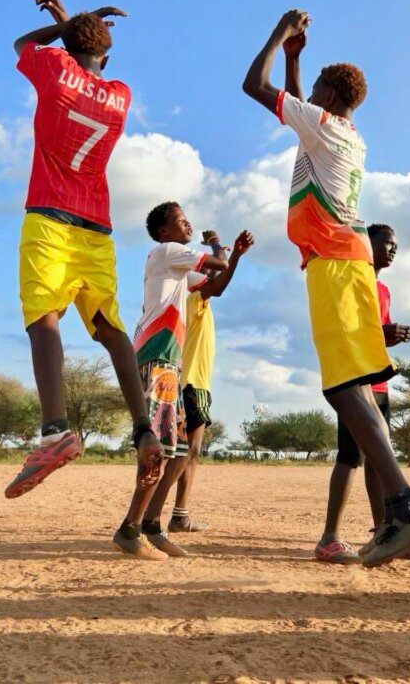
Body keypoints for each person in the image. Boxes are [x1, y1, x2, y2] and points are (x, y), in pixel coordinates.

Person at [242, 9, 410, 567]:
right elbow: (295, 102)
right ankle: (396, 512)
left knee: (344, 387)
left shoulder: (324, 128)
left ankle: (405, 506)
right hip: (344, 259)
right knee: (353, 387)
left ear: (328, 96)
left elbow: (253, 85)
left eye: (314, 88)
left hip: (332, 259)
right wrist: (299, 60)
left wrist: (279, 34)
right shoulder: (342, 133)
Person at [3, 0, 164, 500]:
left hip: (49, 219)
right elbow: (84, 57)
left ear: (67, 49)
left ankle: (55, 429)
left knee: (43, 318)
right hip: (96, 227)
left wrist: (63, 24)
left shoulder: (54, 70)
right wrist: (77, 24)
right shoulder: (121, 96)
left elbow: (20, 44)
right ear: (107, 55)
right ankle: (143, 427)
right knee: (109, 326)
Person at [113, 203, 254, 559]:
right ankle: (131, 529)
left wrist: (235, 255)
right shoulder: (167, 252)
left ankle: (152, 526)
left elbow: (216, 287)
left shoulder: (178, 271)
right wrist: (224, 249)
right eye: (179, 220)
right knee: (158, 448)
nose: (187, 222)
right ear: (164, 232)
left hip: (171, 365)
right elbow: (216, 264)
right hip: (156, 359)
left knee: (174, 451)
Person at [315, 223, 410, 564]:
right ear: (366, 244)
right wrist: (380, 331)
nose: (393, 249)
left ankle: (386, 532)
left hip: (377, 382)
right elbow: (347, 327)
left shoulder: (383, 289)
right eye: (387, 243)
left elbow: (373, 336)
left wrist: (390, 335)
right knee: (350, 457)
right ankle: (329, 537)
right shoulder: (348, 279)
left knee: (380, 457)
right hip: (352, 381)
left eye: (396, 245)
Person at [168, 229, 227, 535]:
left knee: (186, 451)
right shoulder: (196, 296)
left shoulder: (191, 298)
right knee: (187, 451)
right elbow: (221, 270)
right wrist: (217, 246)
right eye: (204, 271)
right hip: (193, 383)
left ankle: (179, 514)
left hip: (191, 382)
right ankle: (168, 515)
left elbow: (218, 269)